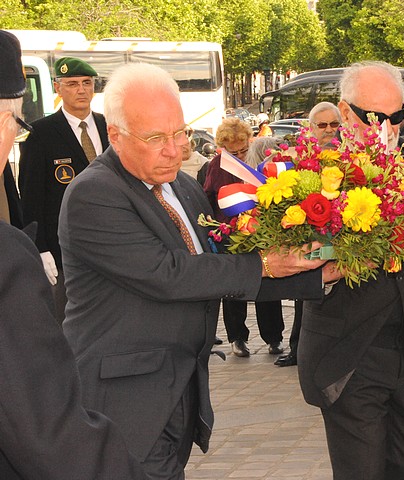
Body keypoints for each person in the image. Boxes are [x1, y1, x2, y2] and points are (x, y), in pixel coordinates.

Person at [58, 62, 330, 479]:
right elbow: (169, 274)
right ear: (115, 134)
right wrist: (263, 264)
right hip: (123, 399)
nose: (175, 149)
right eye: (155, 138)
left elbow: (222, 267)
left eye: (179, 132)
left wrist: (315, 274)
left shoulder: (182, 186)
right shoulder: (94, 194)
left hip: (179, 387)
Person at [297, 61, 404, 479]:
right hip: (350, 349)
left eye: (397, 116)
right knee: (363, 470)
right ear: (345, 112)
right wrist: (350, 243)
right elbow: (301, 250)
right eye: (374, 117)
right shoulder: (312, 169)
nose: (388, 127)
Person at [0, 29, 148, 480]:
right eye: (14, 123)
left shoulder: (106, 127)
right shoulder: (5, 261)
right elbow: (46, 430)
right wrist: (37, 248)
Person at [18, 56, 108, 323]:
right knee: (66, 319)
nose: (81, 90)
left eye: (86, 83)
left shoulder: (109, 127)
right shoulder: (41, 133)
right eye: (72, 84)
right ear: (58, 88)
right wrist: (40, 247)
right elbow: (31, 196)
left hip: (109, 239)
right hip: (63, 247)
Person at [204, 117, 286, 357]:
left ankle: (274, 337)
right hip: (230, 231)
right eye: (233, 152)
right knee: (234, 288)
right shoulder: (217, 165)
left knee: (269, 283)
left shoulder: (258, 157)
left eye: (243, 149)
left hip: (260, 229)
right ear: (222, 148)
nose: (240, 155)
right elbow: (208, 196)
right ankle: (237, 337)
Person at [276, 103, 342, 368]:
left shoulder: (350, 155)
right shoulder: (301, 158)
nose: (328, 130)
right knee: (307, 291)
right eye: (322, 125)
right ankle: (298, 349)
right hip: (310, 234)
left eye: (334, 124)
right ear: (311, 128)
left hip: (340, 236)